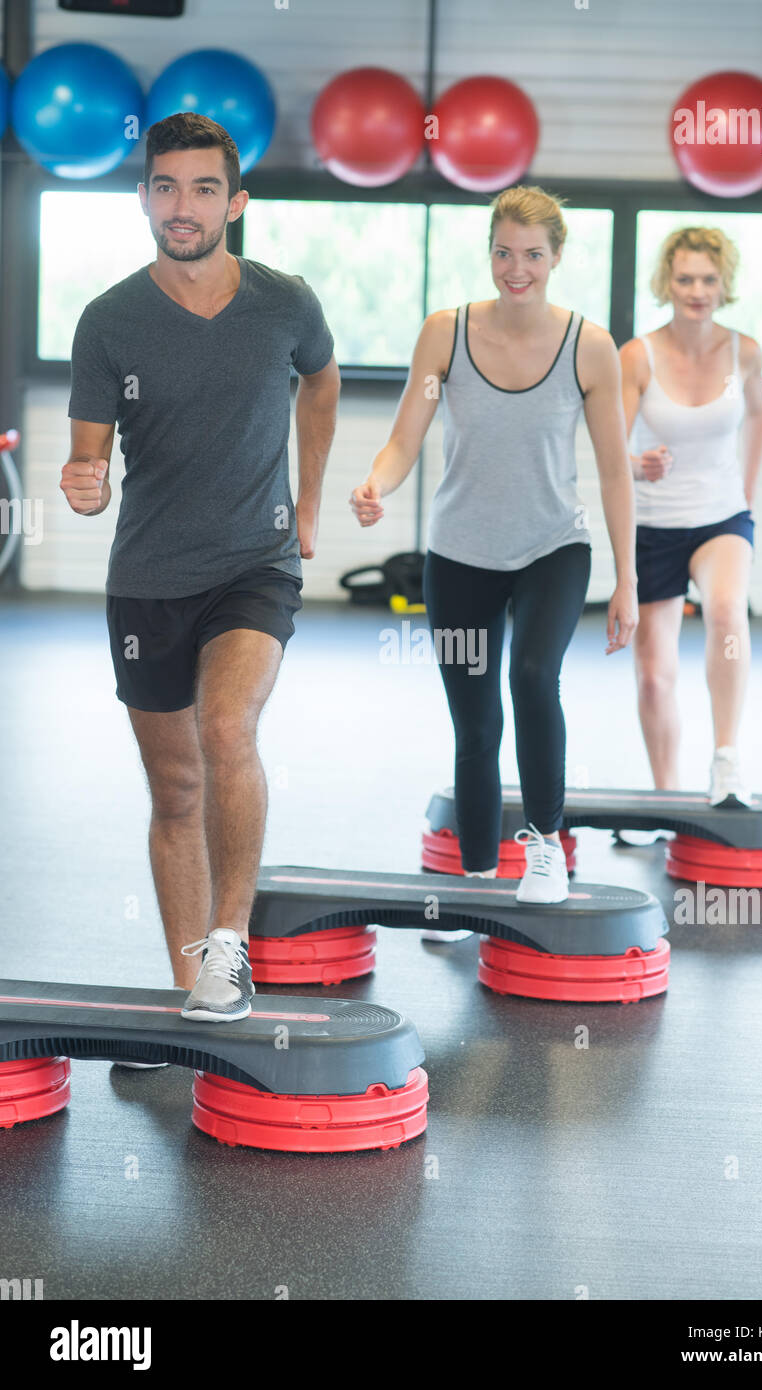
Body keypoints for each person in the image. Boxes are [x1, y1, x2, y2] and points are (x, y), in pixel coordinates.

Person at [61, 112, 339, 1034]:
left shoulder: (284, 302)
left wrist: (307, 501)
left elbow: (323, 378)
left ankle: (231, 941)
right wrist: (84, 485)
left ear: (238, 201)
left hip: (254, 565)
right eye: (168, 188)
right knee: (175, 789)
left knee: (229, 728)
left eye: (206, 188)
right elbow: (89, 468)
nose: (185, 206)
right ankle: (193, 979)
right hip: (147, 576)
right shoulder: (108, 320)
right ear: (143, 198)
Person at [351, 186, 637, 910]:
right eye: (504, 253)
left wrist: (627, 581)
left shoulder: (590, 346)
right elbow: (403, 439)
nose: (517, 269)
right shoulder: (443, 333)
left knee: (535, 675)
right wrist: (375, 484)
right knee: (475, 721)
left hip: (553, 547)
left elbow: (613, 469)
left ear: (558, 258)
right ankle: (476, 877)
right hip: (461, 554)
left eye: (533, 255)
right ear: (489, 252)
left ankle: (545, 845)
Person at [620, 226, 762, 808]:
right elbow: (613, 445)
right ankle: (665, 799)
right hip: (653, 523)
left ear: (724, 282)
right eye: (685, 278)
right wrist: (634, 466)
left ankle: (726, 760)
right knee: (655, 675)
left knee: (728, 612)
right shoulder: (638, 355)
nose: (697, 290)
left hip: (721, 518)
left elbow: (757, 418)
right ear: (667, 282)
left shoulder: (745, 352)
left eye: (708, 279)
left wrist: (747, 494)